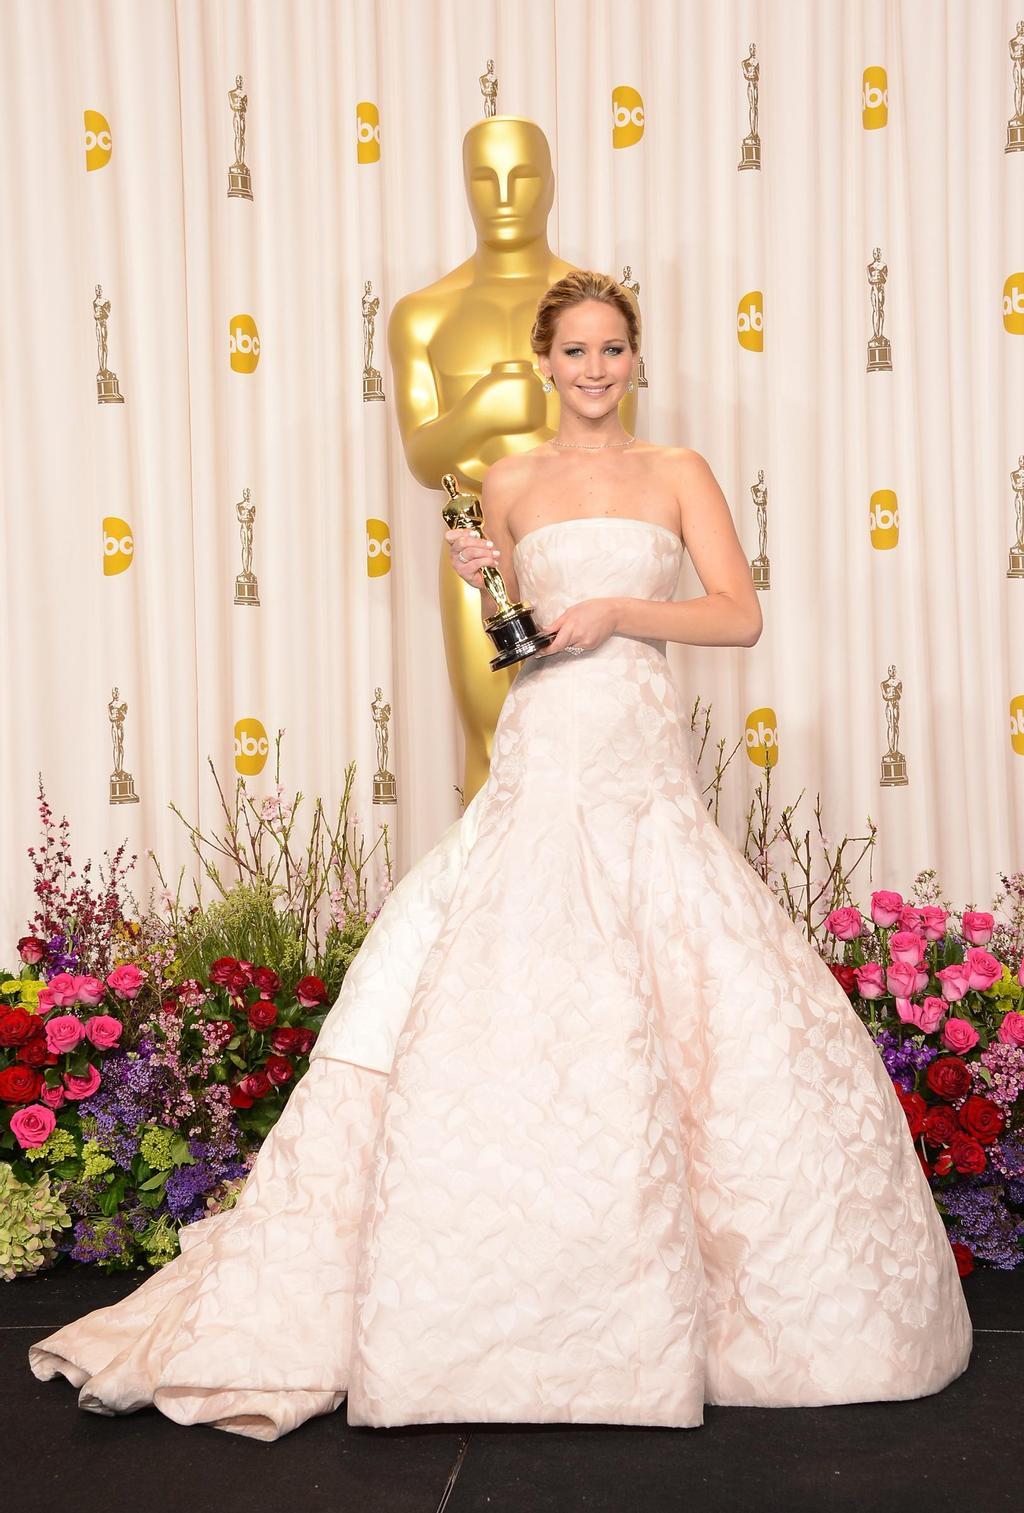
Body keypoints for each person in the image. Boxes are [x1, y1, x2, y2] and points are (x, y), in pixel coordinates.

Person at [29, 271, 972, 1441]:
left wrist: (624, 610)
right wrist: (489, 593)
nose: (592, 368)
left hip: (635, 746)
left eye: (611, 349)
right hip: (544, 743)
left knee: (685, 971)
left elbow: (737, 614)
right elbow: (515, 648)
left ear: (635, 358)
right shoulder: (509, 482)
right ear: (543, 359)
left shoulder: (674, 471)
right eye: (573, 349)